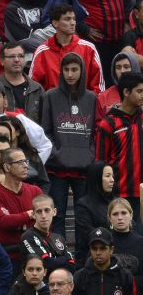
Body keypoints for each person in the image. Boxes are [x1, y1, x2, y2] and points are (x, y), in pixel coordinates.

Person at [40, 54, 98, 238]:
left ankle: (82, 262)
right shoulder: (50, 96)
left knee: (83, 217)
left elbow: (96, 132)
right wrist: (57, 154)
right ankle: (61, 259)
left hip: (84, 169)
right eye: (66, 70)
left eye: (74, 69)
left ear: (82, 71)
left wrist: (90, 155)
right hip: (57, 168)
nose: (70, 74)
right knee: (58, 216)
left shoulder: (92, 98)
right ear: (61, 71)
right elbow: (45, 131)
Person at [96, 72, 143, 214]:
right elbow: (101, 162)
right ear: (126, 92)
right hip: (119, 195)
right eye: (139, 91)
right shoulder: (108, 123)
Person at [29, 6, 104, 94]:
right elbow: (33, 87)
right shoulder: (42, 51)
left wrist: (89, 105)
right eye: (67, 19)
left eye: (74, 19)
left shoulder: (89, 48)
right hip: (52, 105)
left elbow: (98, 86)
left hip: (84, 105)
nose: (72, 23)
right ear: (55, 23)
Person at [0, 147, 43, 257]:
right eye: (20, 162)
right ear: (7, 167)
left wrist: (16, 223)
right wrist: (29, 214)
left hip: (35, 254)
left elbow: (45, 222)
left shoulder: (36, 191)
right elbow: (3, 222)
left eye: (26, 161)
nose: (26, 166)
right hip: (9, 255)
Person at [21, 195, 75, 272]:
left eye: (47, 210)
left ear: (54, 212)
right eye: (39, 211)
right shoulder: (28, 237)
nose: (43, 216)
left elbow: (72, 265)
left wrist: (55, 261)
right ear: (33, 215)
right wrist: (63, 259)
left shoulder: (59, 238)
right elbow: (46, 263)